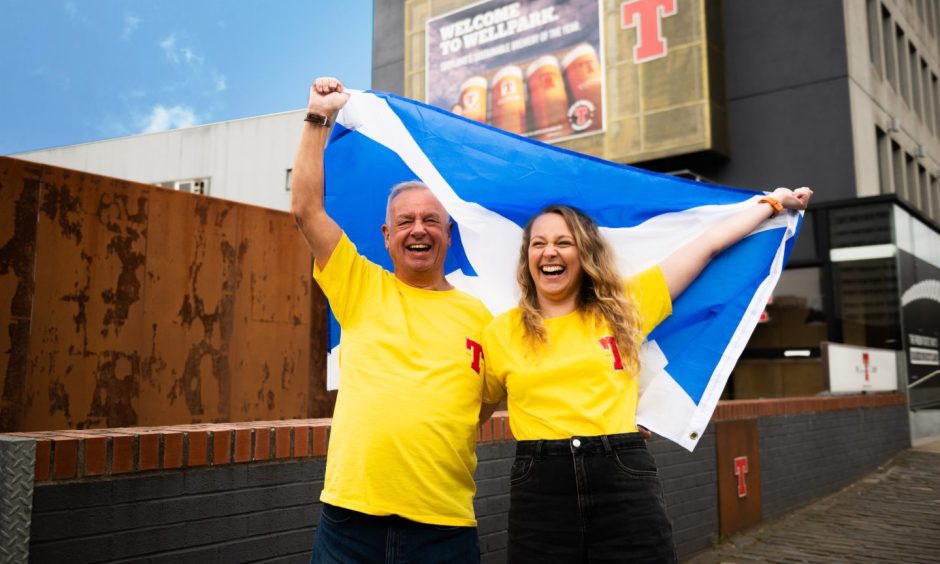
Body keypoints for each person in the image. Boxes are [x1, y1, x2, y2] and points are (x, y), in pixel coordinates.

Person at [481, 189, 812, 563]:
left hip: (620, 478)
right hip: (540, 488)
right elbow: (476, 409)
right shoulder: (499, 332)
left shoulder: (624, 308)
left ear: (585, 254)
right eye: (538, 244)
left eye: (564, 242)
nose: (550, 252)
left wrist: (775, 203)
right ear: (527, 259)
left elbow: (706, 246)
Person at [291, 77, 492, 563]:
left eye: (430, 221)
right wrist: (320, 115)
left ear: (449, 235)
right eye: (405, 222)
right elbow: (306, 209)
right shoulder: (359, 285)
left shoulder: (484, 317)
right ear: (386, 235)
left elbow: (504, 397)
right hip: (350, 524)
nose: (418, 229)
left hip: (444, 529)